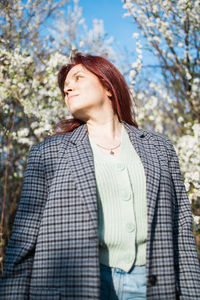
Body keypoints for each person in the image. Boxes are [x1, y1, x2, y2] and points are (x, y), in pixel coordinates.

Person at [0, 52, 199, 300]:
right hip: (72, 287)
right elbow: (23, 240)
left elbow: (182, 233)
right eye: (65, 86)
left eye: (78, 77)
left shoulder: (160, 147)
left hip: (152, 286)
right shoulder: (48, 153)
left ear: (107, 85)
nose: (67, 87)